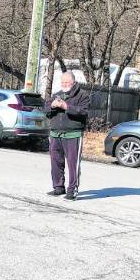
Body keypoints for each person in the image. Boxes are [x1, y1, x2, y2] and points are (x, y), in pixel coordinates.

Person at [44, 72, 90, 201]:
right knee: (56, 162)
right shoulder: (56, 95)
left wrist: (66, 107)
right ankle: (58, 187)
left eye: (67, 83)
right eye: (62, 82)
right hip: (55, 134)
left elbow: (84, 112)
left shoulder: (82, 95)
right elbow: (46, 110)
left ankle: (72, 190)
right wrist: (52, 106)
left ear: (73, 82)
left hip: (73, 135)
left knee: (72, 164)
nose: (64, 85)